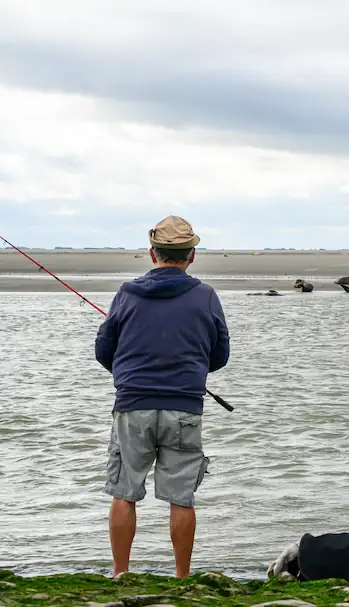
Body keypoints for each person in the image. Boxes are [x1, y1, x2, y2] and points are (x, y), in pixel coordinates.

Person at [94, 215, 230, 578]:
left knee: (124, 492)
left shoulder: (126, 293)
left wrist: (128, 375)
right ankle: (182, 578)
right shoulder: (205, 296)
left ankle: (120, 574)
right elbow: (220, 355)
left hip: (133, 406)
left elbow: (103, 349)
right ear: (192, 256)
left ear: (152, 254)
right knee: (181, 496)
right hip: (184, 407)